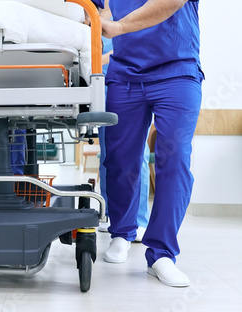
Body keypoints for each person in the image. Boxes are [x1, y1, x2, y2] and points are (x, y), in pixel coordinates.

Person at [92, 0, 203, 287]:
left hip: (177, 70)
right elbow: (92, 10)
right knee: (120, 159)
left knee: (174, 158)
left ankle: (162, 253)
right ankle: (122, 233)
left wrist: (117, 26)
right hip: (125, 75)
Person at [96, 0, 151, 243]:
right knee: (109, 153)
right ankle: (112, 214)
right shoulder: (93, 12)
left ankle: (138, 220)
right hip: (103, 84)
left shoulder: (131, 9)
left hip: (130, 81)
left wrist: (101, 60)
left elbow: (132, 43)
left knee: (136, 152)